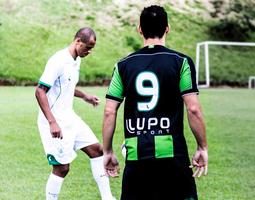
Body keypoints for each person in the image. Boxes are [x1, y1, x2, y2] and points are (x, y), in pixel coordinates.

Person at [102, 5, 208, 200]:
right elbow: (193, 108)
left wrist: (107, 151)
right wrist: (202, 147)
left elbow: (110, 111)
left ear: (139, 29)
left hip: (136, 154)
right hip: (172, 153)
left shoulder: (123, 65)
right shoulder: (181, 62)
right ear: (167, 28)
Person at [35, 27, 115, 200]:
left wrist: (84, 96)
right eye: (88, 47)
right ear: (78, 41)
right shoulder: (58, 61)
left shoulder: (76, 59)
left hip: (69, 117)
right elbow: (40, 91)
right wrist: (52, 122)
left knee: (97, 150)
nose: (89, 51)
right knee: (62, 168)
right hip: (55, 121)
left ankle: (108, 198)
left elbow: (66, 85)